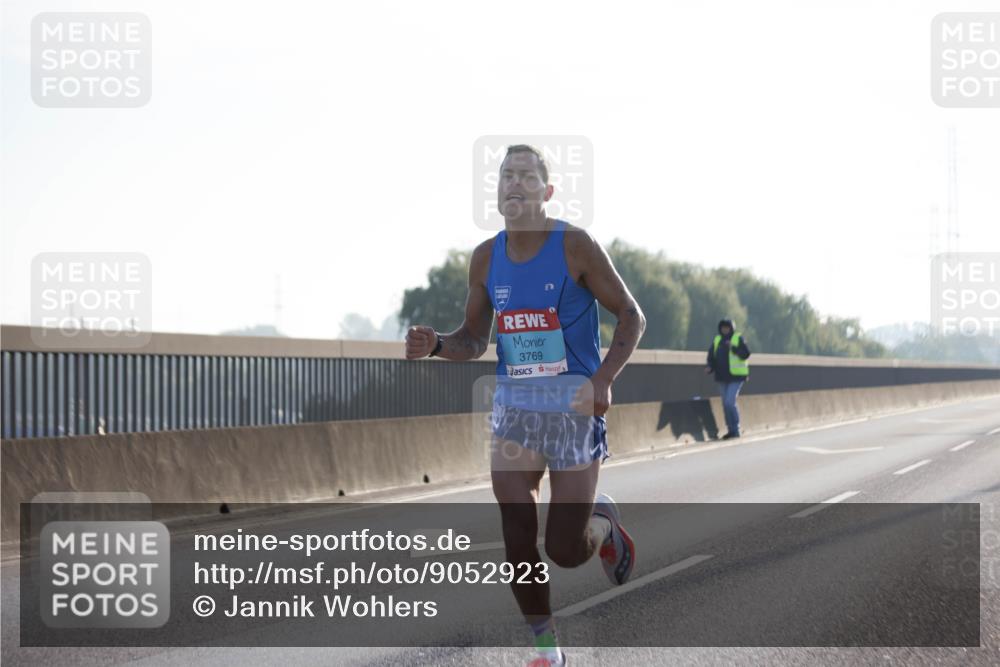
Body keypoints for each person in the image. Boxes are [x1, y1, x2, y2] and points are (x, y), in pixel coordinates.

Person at [405, 144, 645, 666]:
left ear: (548, 192)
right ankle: (546, 649)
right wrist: (440, 344)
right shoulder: (486, 258)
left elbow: (632, 317)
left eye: (526, 177)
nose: (513, 184)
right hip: (515, 410)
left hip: (574, 408)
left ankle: (601, 525)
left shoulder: (576, 247)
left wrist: (604, 379)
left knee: (563, 549)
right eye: (505, 176)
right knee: (516, 533)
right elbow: (475, 337)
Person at [704, 318, 751, 439]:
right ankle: (730, 430)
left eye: (727, 327)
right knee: (725, 404)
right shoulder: (717, 340)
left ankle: (736, 429)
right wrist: (710, 367)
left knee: (730, 402)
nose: (725, 330)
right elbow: (711, 357)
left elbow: (746, 354)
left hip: (736, 377)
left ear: (731, 328)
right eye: (723, 328)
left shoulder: (738, 338)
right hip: (722, 377)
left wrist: (733, 348)